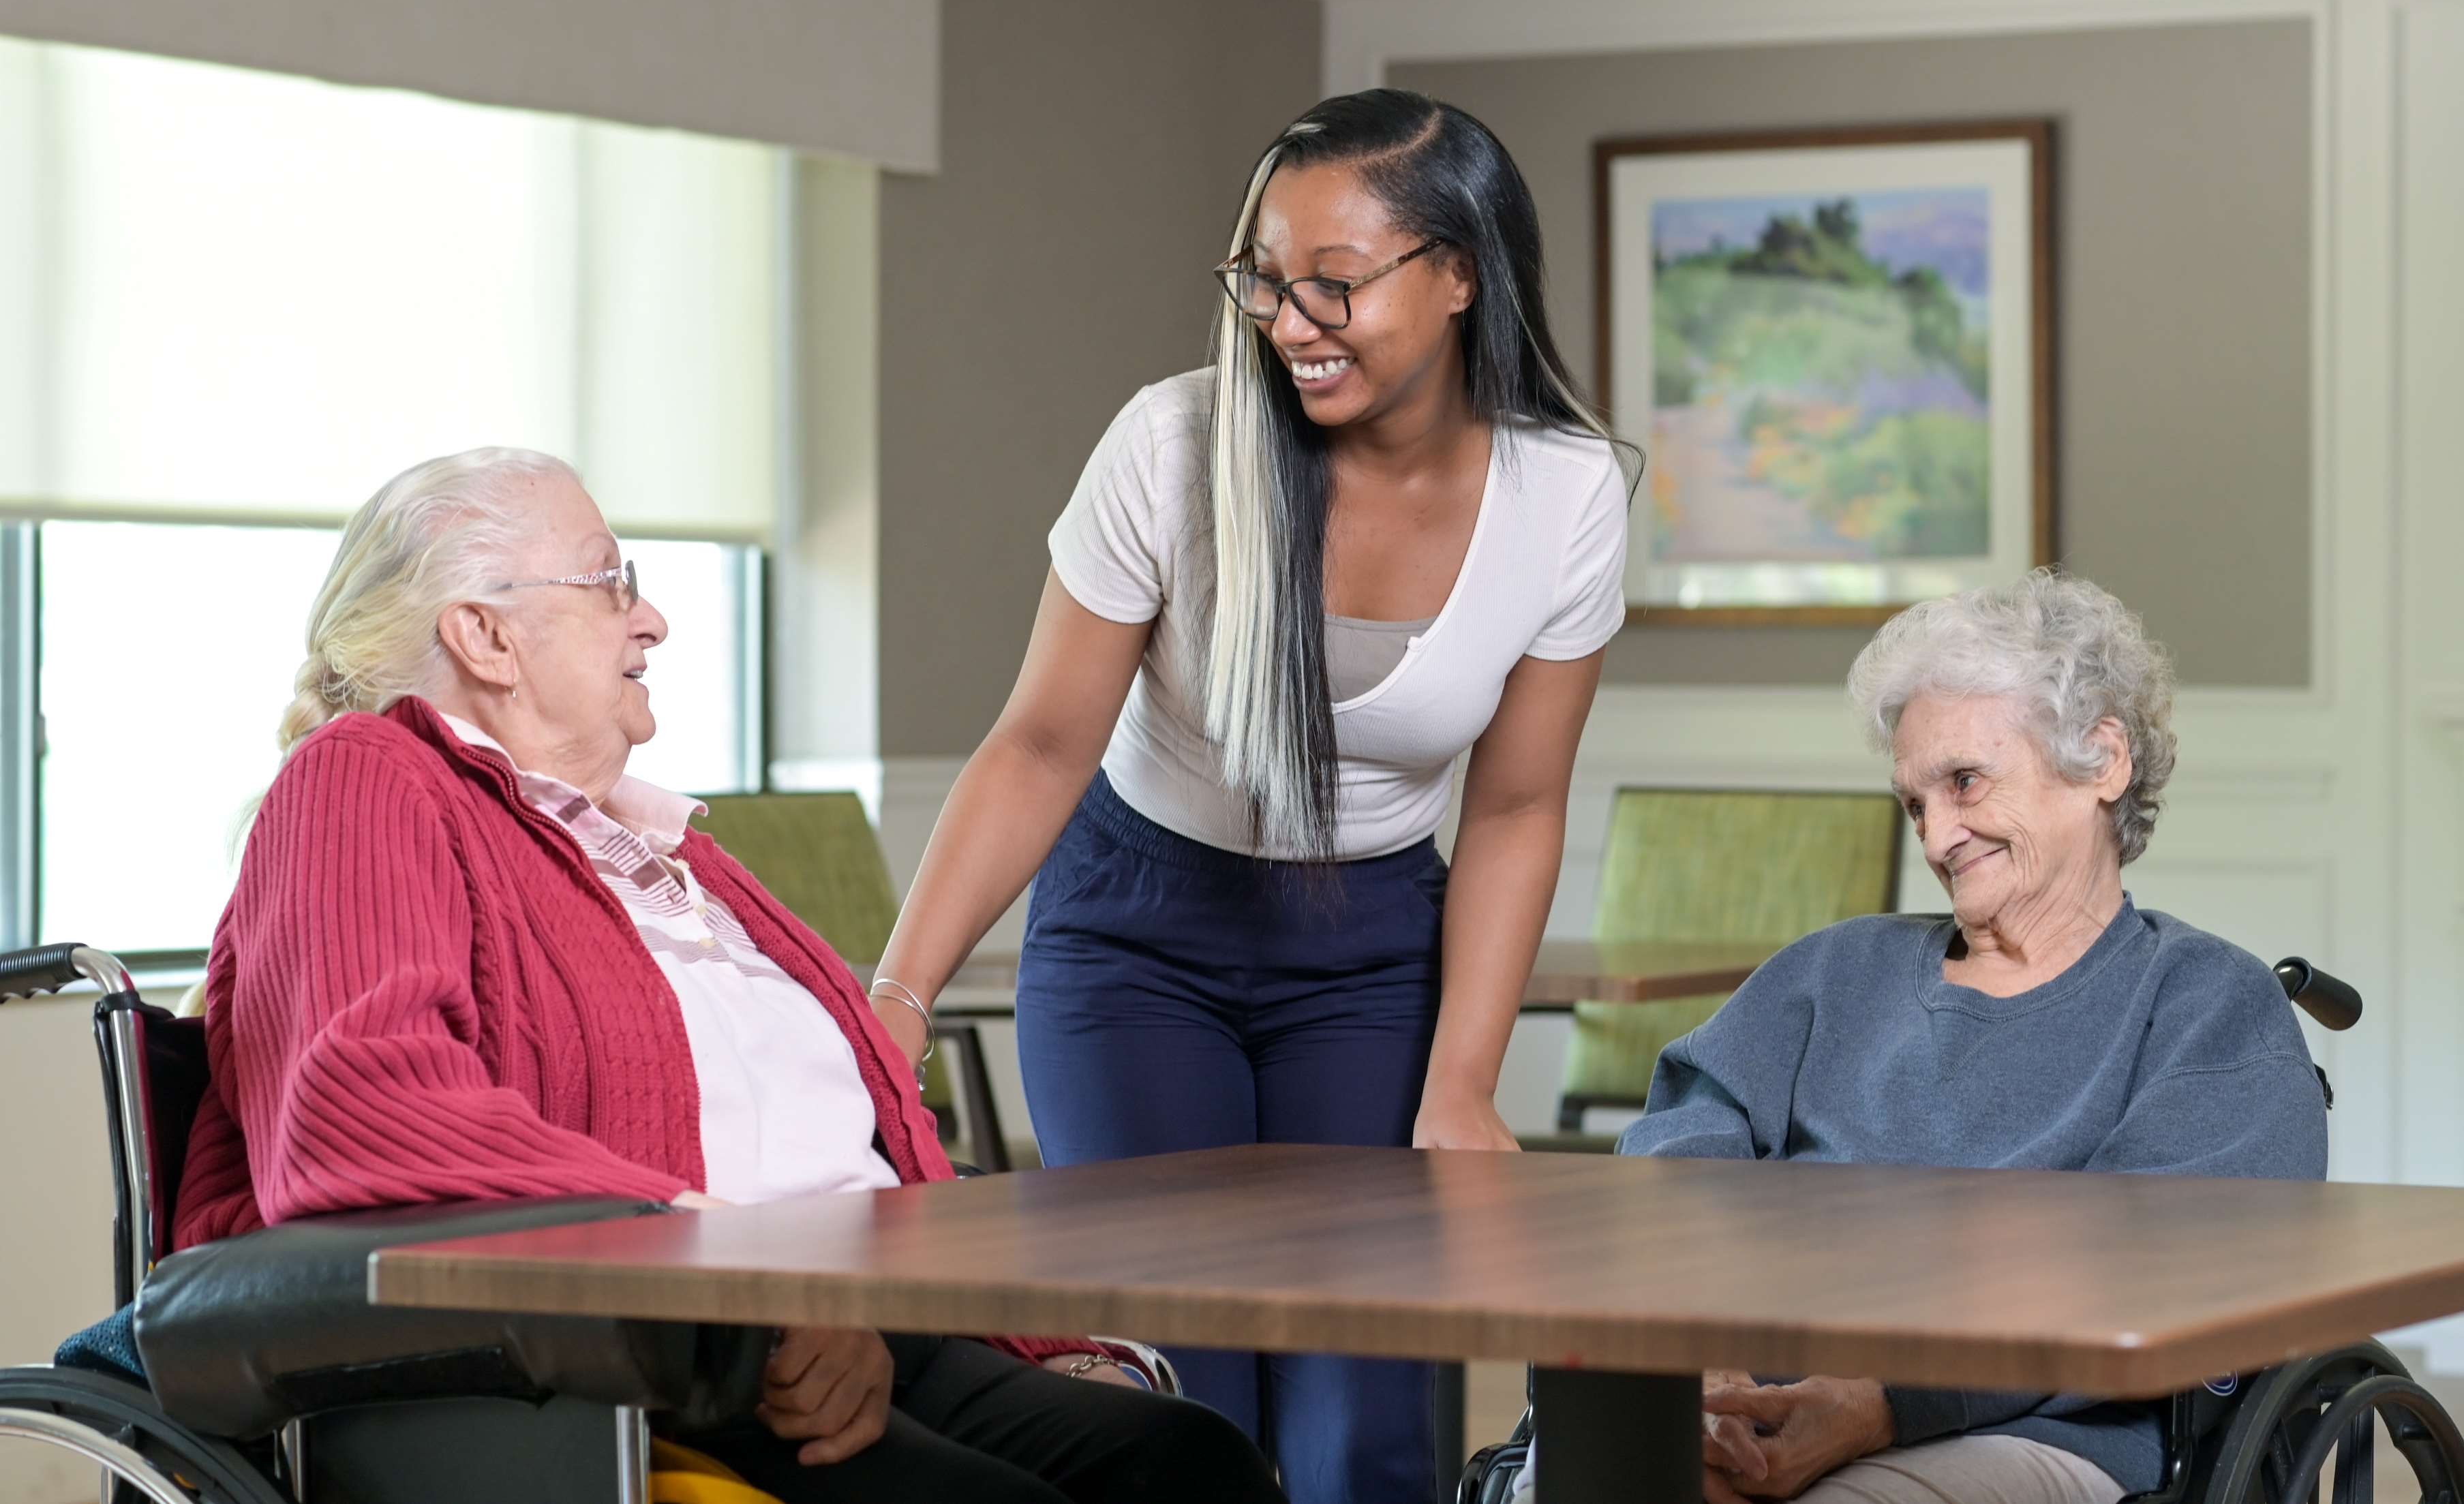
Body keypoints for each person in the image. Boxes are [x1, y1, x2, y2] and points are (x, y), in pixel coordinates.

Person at [171, 448, 1286, 1504]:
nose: (651, 618)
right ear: (484, 637)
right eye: (614, 583)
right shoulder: (365, 781)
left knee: (1190, 1464)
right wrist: (746, 1287)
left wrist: (1042, 1349)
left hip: (868, 1318)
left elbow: (858, 1144)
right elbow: (366, 1109)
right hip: (657, 1352)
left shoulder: (662, 851)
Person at [867, 87, 1630, 1501]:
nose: (1291, 320)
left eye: (1334, 283)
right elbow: (1040, 744)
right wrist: (896, 1004)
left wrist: (1462, 1081)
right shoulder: (1172, 446)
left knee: (1366, 1410)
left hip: (1373, 956)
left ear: (1460, 275)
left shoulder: (1564, 494)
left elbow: (1518, 808)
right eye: (1265, 281)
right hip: (1136, 937)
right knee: (1177, 1395)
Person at [1611, 570, 2328, 1504]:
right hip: (1755, 1391)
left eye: (1964, 782)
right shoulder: (1835, 971)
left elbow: (2159, 1276)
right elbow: (1678, 1138)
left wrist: (1885, 1404)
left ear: (2102, 761)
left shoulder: (2202, 1002)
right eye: (1915, 803)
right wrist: (1694, 1350)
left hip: (2031, 1430)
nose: (1938, 837)